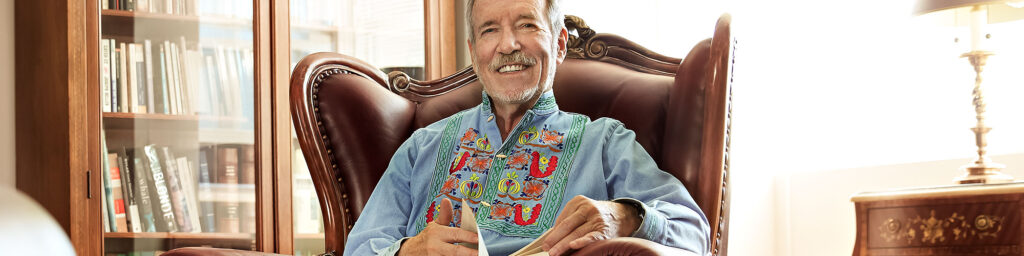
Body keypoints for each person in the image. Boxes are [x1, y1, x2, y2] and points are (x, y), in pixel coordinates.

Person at [343, 0, 710, 255]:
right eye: (490, 30)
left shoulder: (604, 143)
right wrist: (408, 251)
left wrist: (625, 216)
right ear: (474, 52)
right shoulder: (421, 147)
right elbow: (360, 248)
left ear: (560, 43)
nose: (508, 45)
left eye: (527, 25)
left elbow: (694, 232)